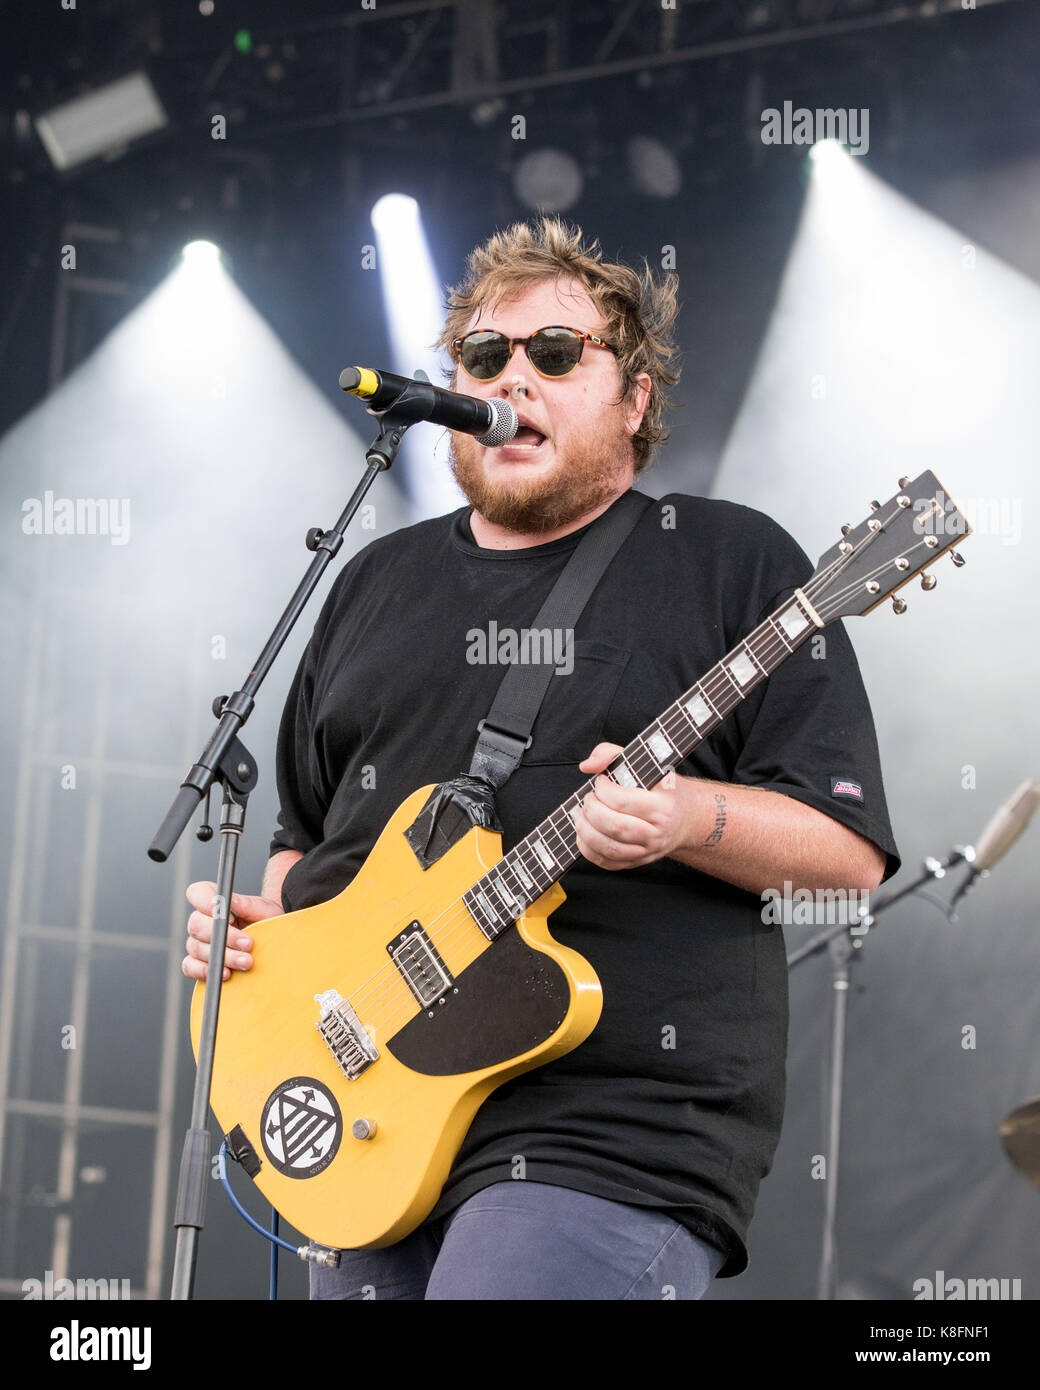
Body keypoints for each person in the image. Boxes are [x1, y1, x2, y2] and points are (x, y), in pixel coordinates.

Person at [182, 217, 899, 1300]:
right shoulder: (376, 581)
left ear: (634, 398)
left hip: (610, 1126)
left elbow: (844, 858)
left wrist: (683, 819)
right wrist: (259, 929)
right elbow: (304, 854)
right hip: (375, 1110)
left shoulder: (728, 561)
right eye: (484, 358)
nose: (513, 376)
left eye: (555, 353)